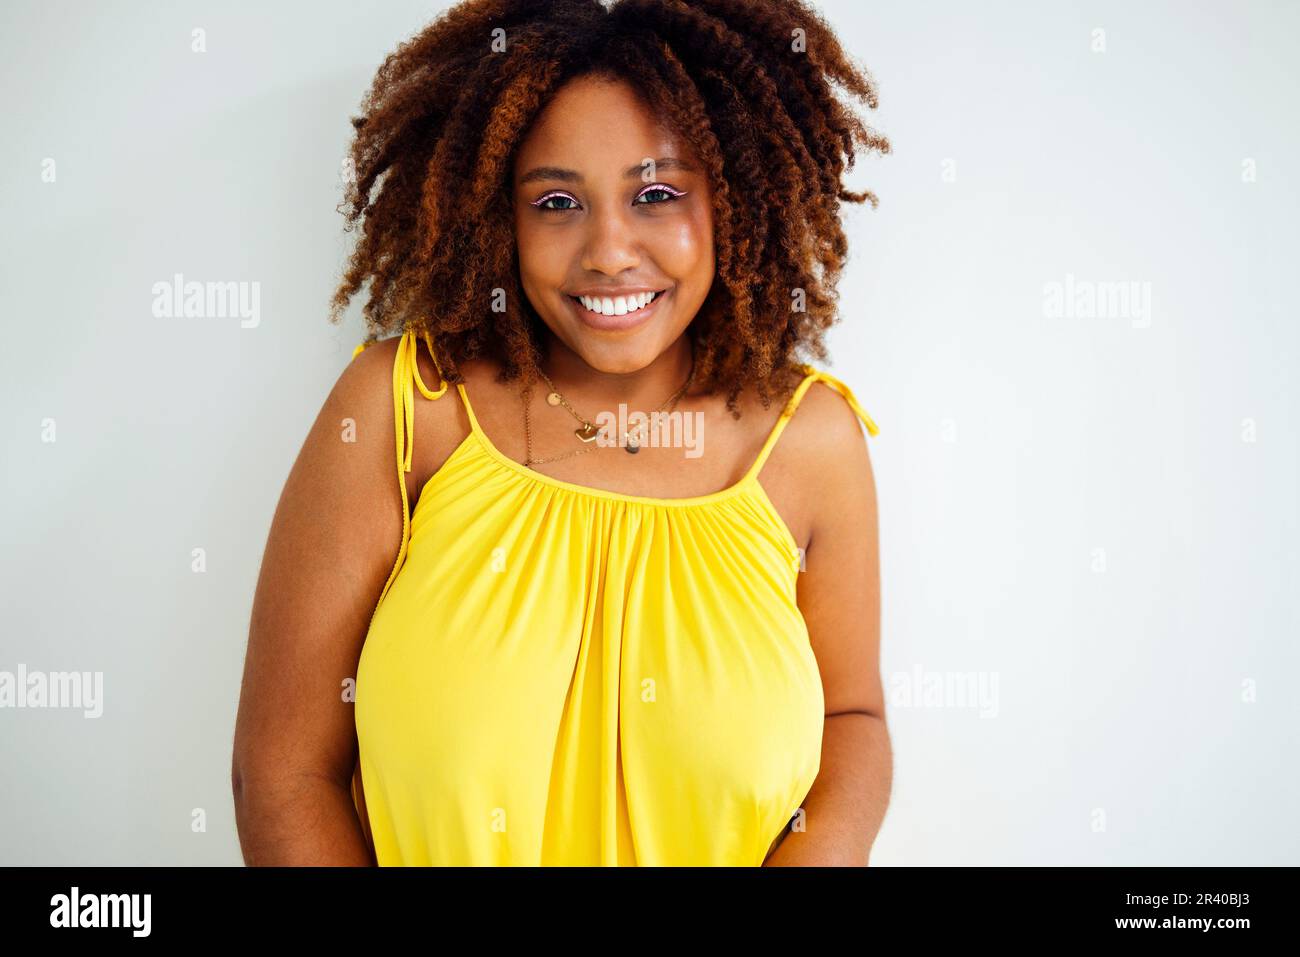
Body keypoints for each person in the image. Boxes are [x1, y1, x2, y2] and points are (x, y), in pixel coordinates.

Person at [233, 0, 892, 866]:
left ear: (735, 196)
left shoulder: (812, 441)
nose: (609, 251)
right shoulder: (402, 409)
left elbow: (854, 722)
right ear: (494, 215)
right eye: (556, 201)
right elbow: (283, 774)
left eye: (657, 194)